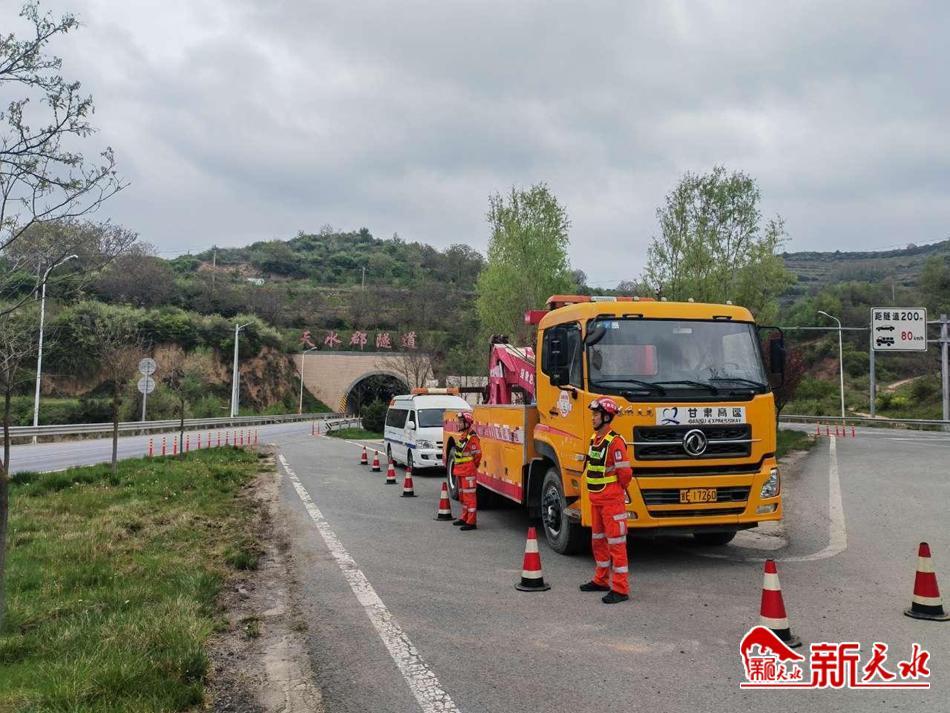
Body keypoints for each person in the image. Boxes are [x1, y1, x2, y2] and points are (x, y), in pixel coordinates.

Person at [579, 397, 632, 603]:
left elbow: (625, 474)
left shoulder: (615, 442)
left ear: (606, 417)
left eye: (596, 414)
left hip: (611, 501)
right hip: (596, 500)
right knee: (598, 541)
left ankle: (620, 589)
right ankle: (601, 580)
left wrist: (616, 492)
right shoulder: (595, 439)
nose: (593, 418)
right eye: (593, 414)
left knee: (616, 545)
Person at [451, 411, 481, 531]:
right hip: (461, 471)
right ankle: (464, 518)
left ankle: (471, 522)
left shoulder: (472, 438)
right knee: (463, 497)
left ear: (467, 423)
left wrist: (472, 467)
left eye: (460, 422)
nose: (458, 423)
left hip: (468, 471)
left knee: (469, 497)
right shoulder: (464, 436)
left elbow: (477, 455)